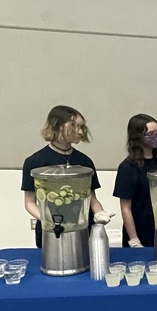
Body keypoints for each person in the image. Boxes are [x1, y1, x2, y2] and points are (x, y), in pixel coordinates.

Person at [21, 105, 112, 248]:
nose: (80, 131)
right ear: (58, 126)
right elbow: (29, 203)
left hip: (82, 229)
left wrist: (99, 213)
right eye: (75, 126)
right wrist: (48, 221)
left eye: (82, 127)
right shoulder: (35, 162)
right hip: (51, 232)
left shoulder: (85, 162)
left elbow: (91, 197)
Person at [113, 114, 157, 248]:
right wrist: (134, 240)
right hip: (138, 231)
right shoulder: (127, 167)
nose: (156, 137)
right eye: (150, 134)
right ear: (137, 138)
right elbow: (125, 207)